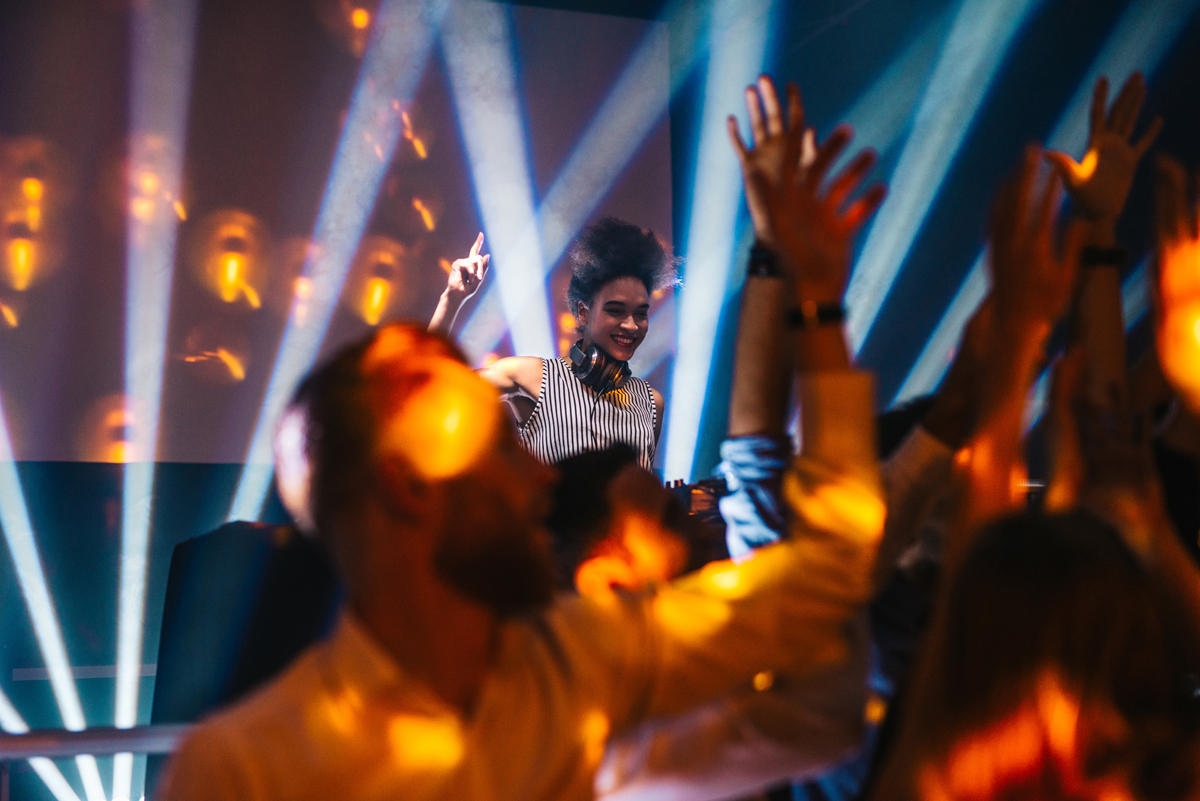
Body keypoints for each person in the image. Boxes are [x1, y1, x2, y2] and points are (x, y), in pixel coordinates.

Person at [156, 99, 889, 797]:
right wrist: (452, 302)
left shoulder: (578, 664)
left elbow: (822, 591)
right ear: (409, 487)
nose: (545, 475)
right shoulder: (244, 771)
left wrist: (797, 282)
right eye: (502, 449)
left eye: (642, 311)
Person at [428, 220, 677, 470]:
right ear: (583, 313)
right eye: (616, 311)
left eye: (641, 314)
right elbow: (431, 388)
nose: (632, 326)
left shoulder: (651, 403)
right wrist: (452, 298)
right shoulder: (532, 376)